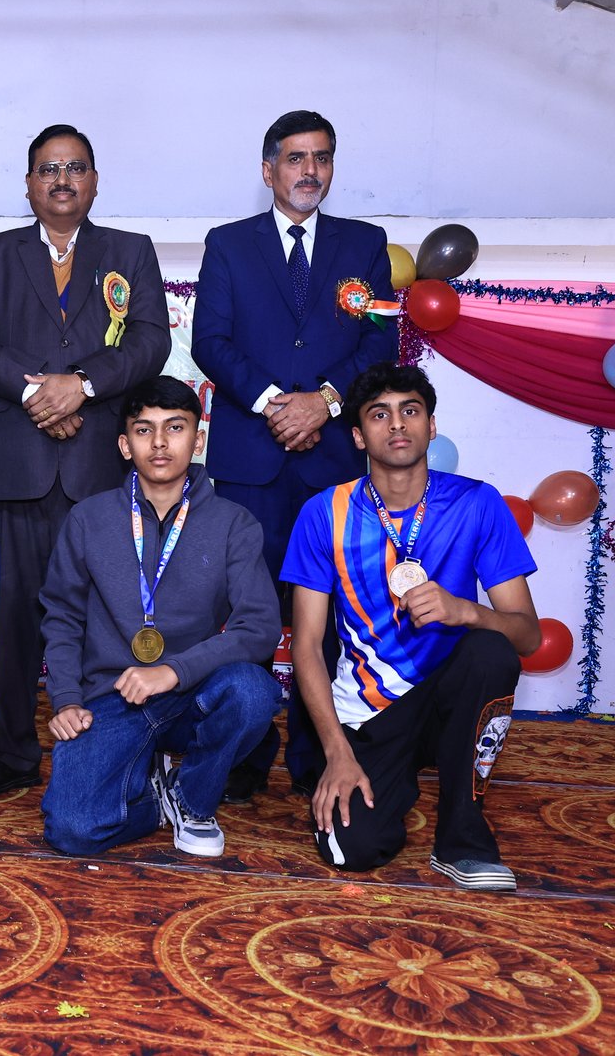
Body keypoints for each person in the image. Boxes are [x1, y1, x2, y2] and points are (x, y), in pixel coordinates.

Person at [0, 124, 170, 796]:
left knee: (103, 618)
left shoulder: (130, 251)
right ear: (29, 185)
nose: (62, 179)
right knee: (10, 616)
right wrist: (37, 392)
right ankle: (14, 751)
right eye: (49, 169)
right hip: (13, 469)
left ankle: (103, 750)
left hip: (97, 467)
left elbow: (150, 342)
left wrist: (84, 385)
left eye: (75, 168)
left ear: (94, 181)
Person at [191, 109, 397, 802]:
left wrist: (326, 403)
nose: (311, 170)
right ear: (268, 168)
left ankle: (319, 753)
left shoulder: (365, 245)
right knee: (244, 613)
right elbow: (210, 341)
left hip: (332, 462)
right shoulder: (228, 244)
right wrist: (279, 403)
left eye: (322, 157)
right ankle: (243, 752)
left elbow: (380, 344)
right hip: (251, 461)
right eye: (296, 158)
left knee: (332, 615)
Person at [282, 363, 539, 891]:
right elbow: (306, 645)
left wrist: (466, 611)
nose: (397, 424)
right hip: (371, 710)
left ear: (432, 425)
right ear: (358, 436)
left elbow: (527, 636)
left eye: (410, 411)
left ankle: (462, 837)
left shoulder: (477, 503)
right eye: (380, 414)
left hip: (450, 700)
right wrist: (336, 752)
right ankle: (392, 779)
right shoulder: (323, 512)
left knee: (490, 651)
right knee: (354, 850)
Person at [40, 376, 281, 857]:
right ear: (124, 445)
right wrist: (66, 699)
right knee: (72, 831)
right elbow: (62, 616)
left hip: (193, 694)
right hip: (112, 696)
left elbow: (258, 628)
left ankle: (191, 797)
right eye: (144, 429)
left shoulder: (233, 523)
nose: (159, 443)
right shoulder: (88, 518)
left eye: (175, 427)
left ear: (198, 439)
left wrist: (173, 670)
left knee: (252, 691)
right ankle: (153, 797)